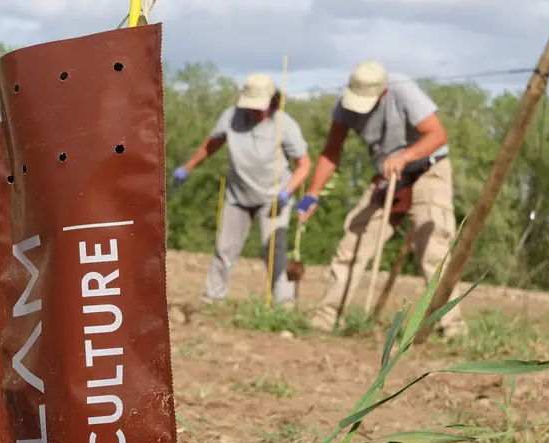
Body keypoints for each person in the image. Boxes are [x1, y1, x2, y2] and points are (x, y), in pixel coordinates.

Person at [290, 60, 467, 337]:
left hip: (427, 170)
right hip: (387, 177)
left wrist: (404, 157)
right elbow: (331, 152)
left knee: (433, 249)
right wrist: (312, 195)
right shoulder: (345, 106)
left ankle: (451, 328)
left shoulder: (402, 90)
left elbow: (437, 135)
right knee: (353, 241)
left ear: (383, 92)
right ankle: (327, 318)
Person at [173, 73, 311, 304]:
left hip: (274, 198)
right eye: (251, 107)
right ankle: (213, 299)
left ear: (272, 101)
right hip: (237, 196)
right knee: (224, 249)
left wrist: (289, 190)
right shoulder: (231, 117)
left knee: (274, 252)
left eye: (260, 107)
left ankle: (283, 304)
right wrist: (187, 167)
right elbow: (212, 144)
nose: (255, 112)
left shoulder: (284, 124)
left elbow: (304, 164)